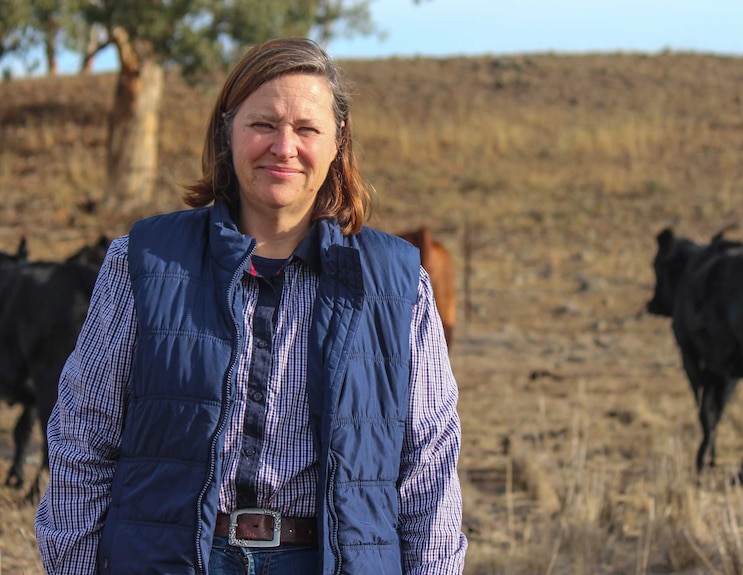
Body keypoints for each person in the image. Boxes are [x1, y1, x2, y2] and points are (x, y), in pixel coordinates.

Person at [35, 37, 468, 574]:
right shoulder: (140, 263)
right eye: (263, 124)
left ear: (338, 143)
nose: (283, 147)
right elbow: (83, 438)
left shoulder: (398, 284)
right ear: (228, 133)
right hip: (169, 560)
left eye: (306, 128)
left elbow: (428, 472)